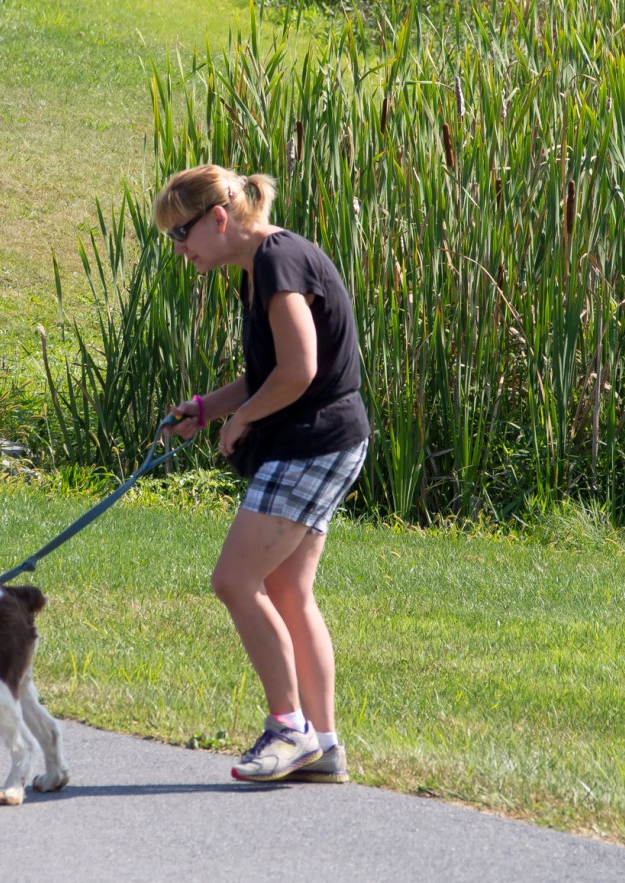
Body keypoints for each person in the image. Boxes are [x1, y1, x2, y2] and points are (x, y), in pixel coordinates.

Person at [154, 164, 370, 783]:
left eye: (182, 233)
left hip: (313, 442)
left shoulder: (276, 259)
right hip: (329, 440)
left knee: (234, 579)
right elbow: (269, 372)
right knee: (287, 593)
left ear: (219, 218)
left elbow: (300, 370)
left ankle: (289, 728)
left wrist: (241, 421)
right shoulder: (262, 268)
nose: (181, 249)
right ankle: (324, 746)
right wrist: (205, 409)